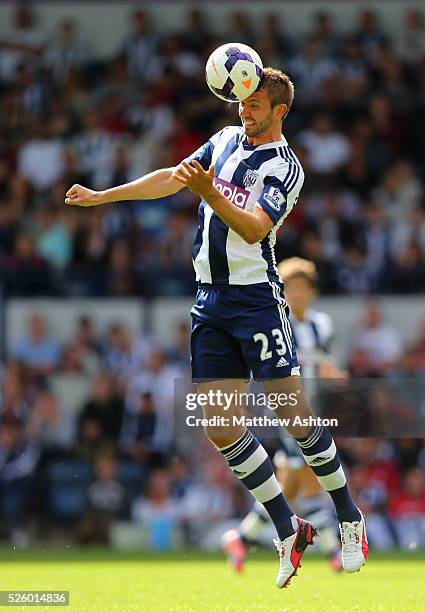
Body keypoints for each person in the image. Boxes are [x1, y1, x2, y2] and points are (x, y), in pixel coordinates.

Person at [64, 67, 368, 588]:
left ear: (280, 112)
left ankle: (349, 517)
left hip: (255, 301)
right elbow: (172, 176)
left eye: (254, 106)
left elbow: (253, 229)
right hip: (209, 299)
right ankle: (285, 528)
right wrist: (102, 196)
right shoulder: (225, 138)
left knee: (293, 416)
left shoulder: (285, 168)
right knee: (220, 426)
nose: (243, 112)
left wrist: (210, 193)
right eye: (242, 103)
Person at [222, 258, 344, 572]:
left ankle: (241, 538)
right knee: (309, 476)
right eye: (290, 287)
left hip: (312, 409)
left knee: (288, 485)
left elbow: (326, 365)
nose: (296, 294)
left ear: (312, 292)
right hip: (286, 409)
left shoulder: (322, 325)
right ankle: (334, 550)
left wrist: (335, 374)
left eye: (302, 287)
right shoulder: (278, 324)